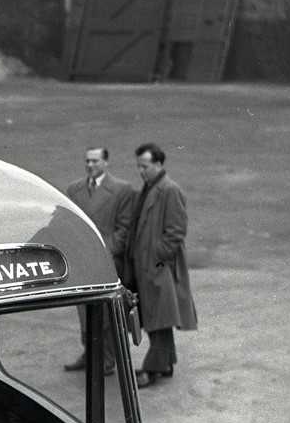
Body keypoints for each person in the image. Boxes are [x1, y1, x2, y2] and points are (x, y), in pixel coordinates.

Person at [118, 144, 197, 389]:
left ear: (159, 165)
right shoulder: (151, 187)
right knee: (156, 318)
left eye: (145, 166)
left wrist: (157, 259)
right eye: (139, 166)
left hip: (157, 268)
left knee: (158, 319)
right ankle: (165, 364)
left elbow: (176, 232)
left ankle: (153, 369)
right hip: (146, 267)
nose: (141, 171)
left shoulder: (169, 190)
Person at [62, 145, 133, 372]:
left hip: (107, 261)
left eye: (95, 161)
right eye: (87, 161)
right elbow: (66, 223)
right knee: (84, 311)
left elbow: (124, 228)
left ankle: (108, 358)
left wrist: (103, 253)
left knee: (106, 313)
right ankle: (89, 353)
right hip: (82, 262)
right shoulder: (74, 190)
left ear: (106, 163)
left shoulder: (122, 190)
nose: (90, 165)